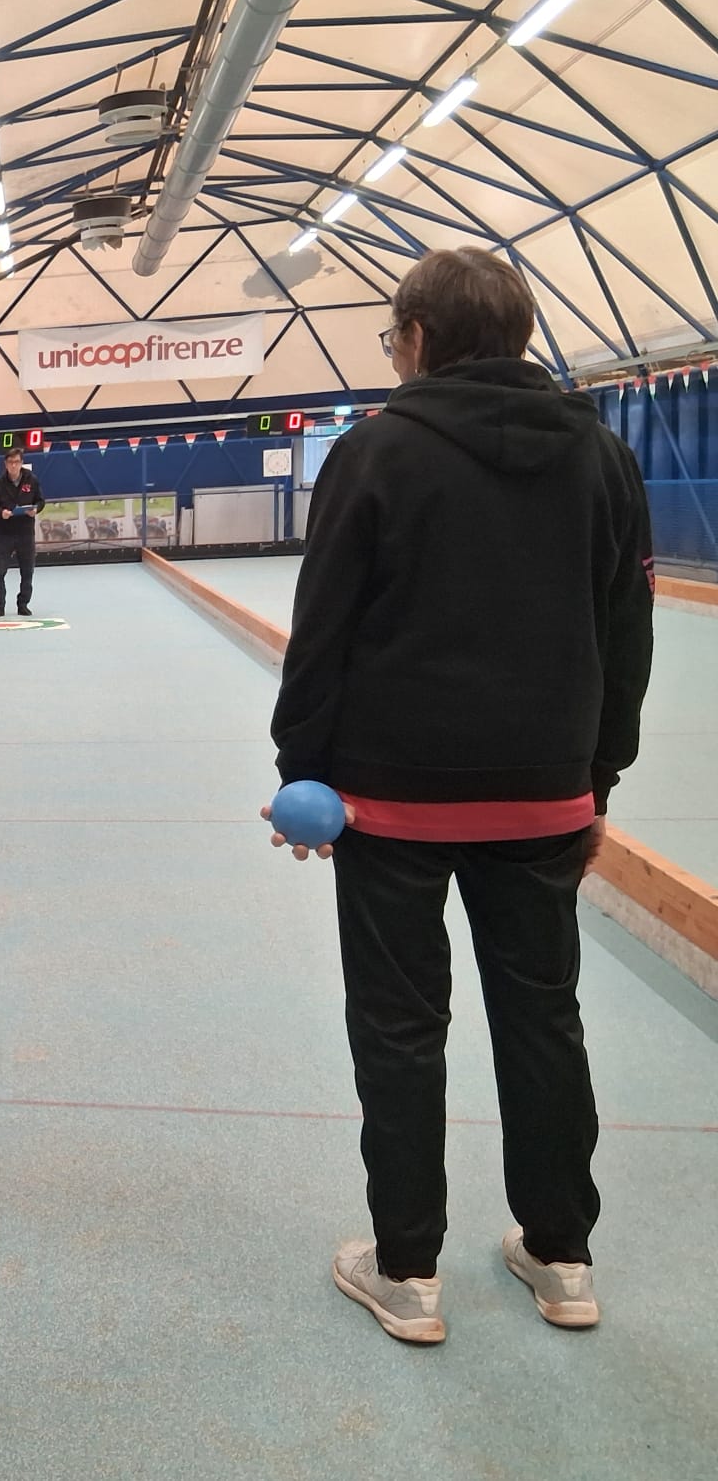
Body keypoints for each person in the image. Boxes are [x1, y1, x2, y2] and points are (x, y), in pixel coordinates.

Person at [269, 248, 654, 1345]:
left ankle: (409, 1274)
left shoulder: (373, 450)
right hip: (544, 796)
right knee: (544, 1019)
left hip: (391, 801)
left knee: (399, 1029)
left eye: (393, 337)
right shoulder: (603, 454)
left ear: (420, 337)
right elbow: (627, 632)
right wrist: (597, 781)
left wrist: (302, 768)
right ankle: (562, 1256)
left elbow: (324, 626)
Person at [0, 449, 43, 617]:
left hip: (26, 532)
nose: (14, 465)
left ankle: (23, 604)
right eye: (10, 462)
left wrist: (36, 509)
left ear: (21, 462)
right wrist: (1, 512)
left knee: (27, 571)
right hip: (4, 533)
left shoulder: (32, 480)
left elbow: (41, 500)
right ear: (5, 464)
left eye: (17, 462)